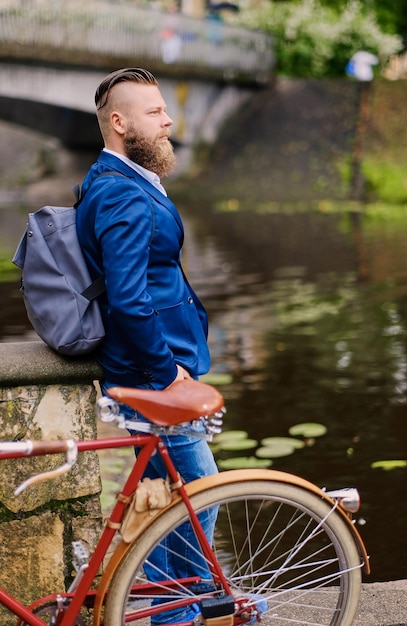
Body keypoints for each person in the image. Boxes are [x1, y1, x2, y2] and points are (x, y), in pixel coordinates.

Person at [76, 67, 218, 625]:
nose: (169, 121)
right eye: (156, 112)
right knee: (199, 498)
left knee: (162, 509)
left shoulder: (117, 179)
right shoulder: (119, 193)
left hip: (143, 372)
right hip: (151, 376)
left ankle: (161, 613)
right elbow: (130, 299)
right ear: (119, 121)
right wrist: (168, 374)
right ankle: (175, 617)